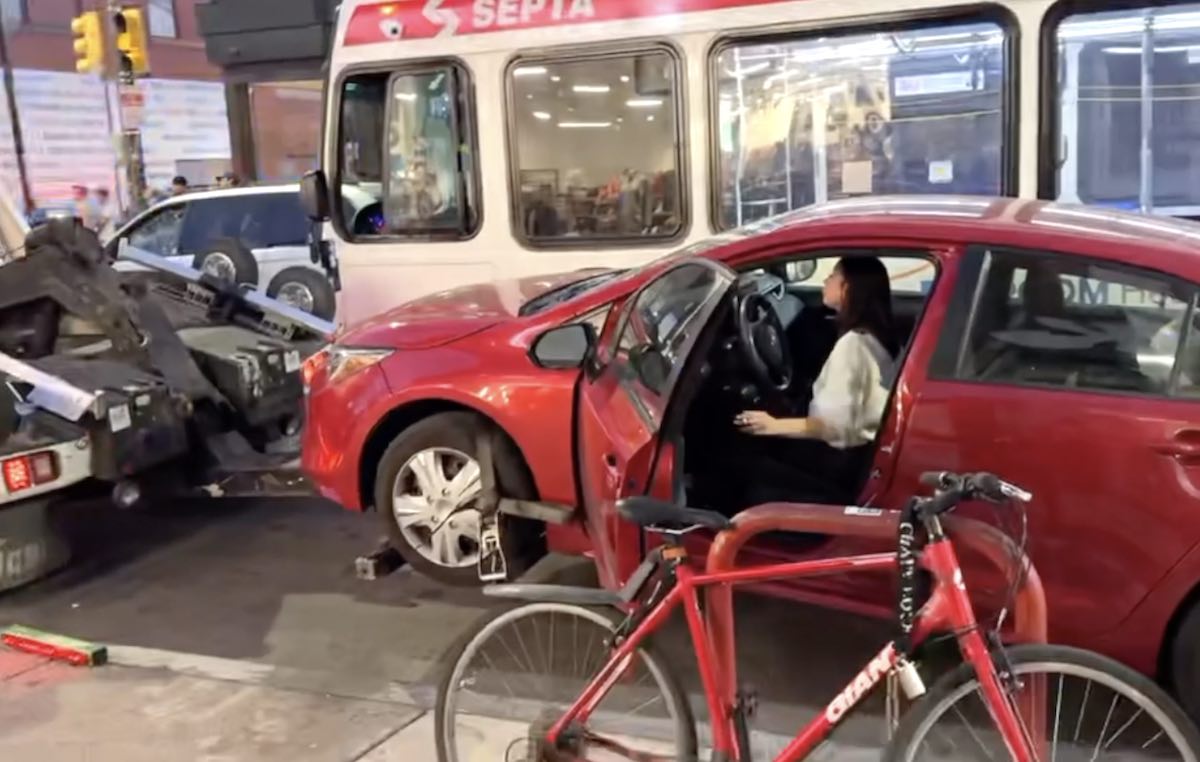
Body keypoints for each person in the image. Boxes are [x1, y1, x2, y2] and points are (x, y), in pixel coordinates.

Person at [734, 256, 899, 502]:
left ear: (848, 288)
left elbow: (833, 427)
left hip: (833, 464)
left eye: (833, 276)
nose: (825, 280)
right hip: (852, 459)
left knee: (738, 465)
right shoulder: (883, 339)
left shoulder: (853, 346)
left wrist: (772, 425)